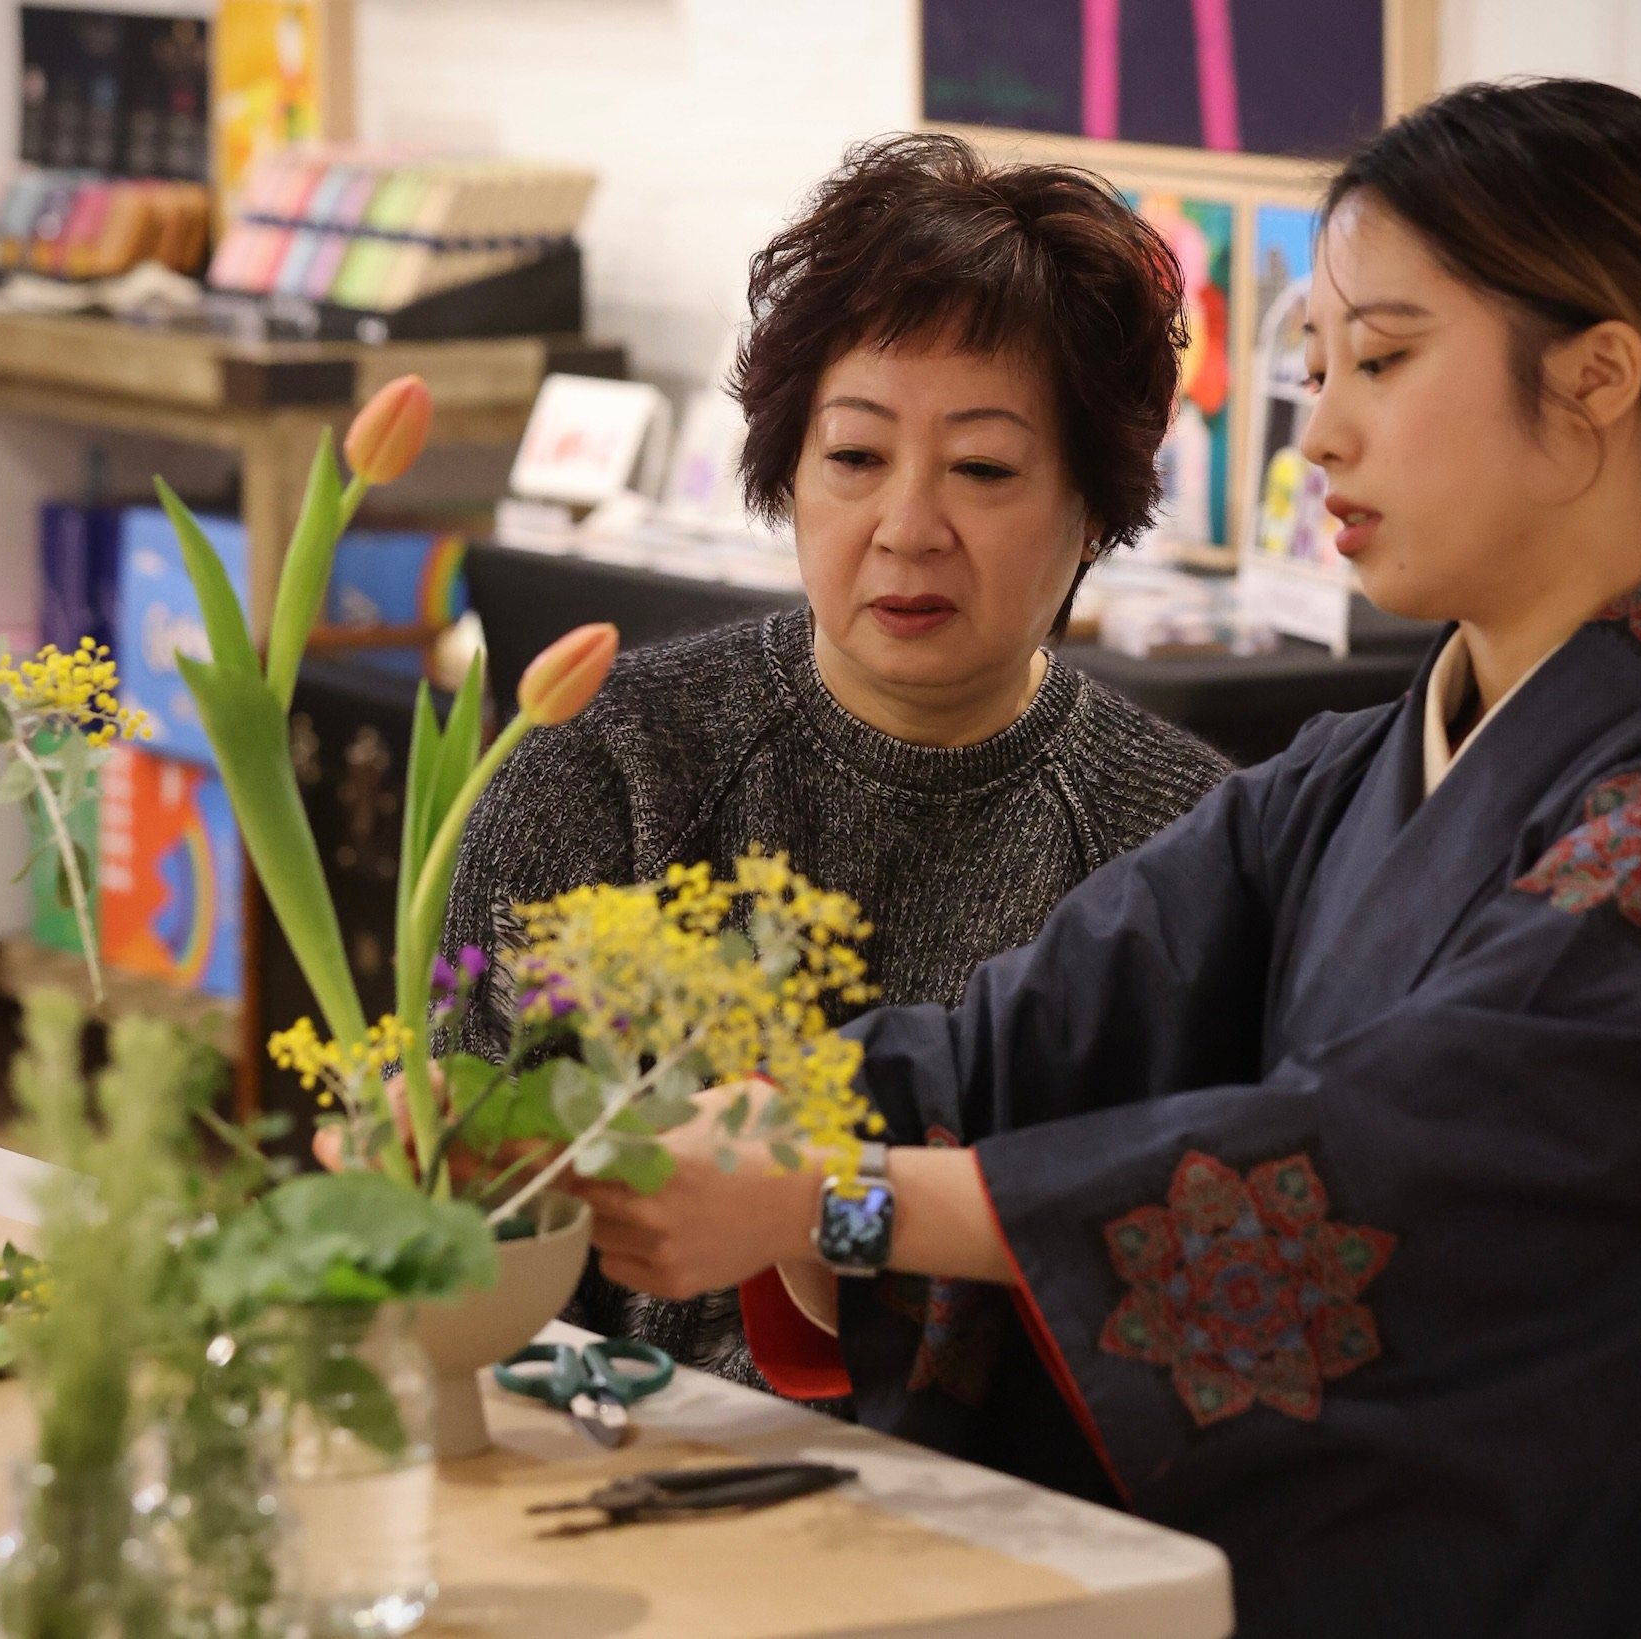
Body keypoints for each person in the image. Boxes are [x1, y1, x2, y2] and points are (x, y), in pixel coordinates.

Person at [564, 80, 1641, 1636]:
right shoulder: (1341, 780)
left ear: (1595, 382)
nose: (1328, 429)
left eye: (1383, 358)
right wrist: (623, 1141)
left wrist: (829, 1196)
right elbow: (1011, 1052)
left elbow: (1369, 1171)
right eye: (1322, 366)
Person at [438, 134, 1233, 1389]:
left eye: (981, 469)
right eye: (855, 457)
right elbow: (473, 1207)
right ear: (786, 472)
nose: (907, 528)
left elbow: (1151, 1266)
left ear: (1092, 506)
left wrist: (821, 1216)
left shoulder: (1183, 837)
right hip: (616, 1453)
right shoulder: (613, 759)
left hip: (1009, 1507)